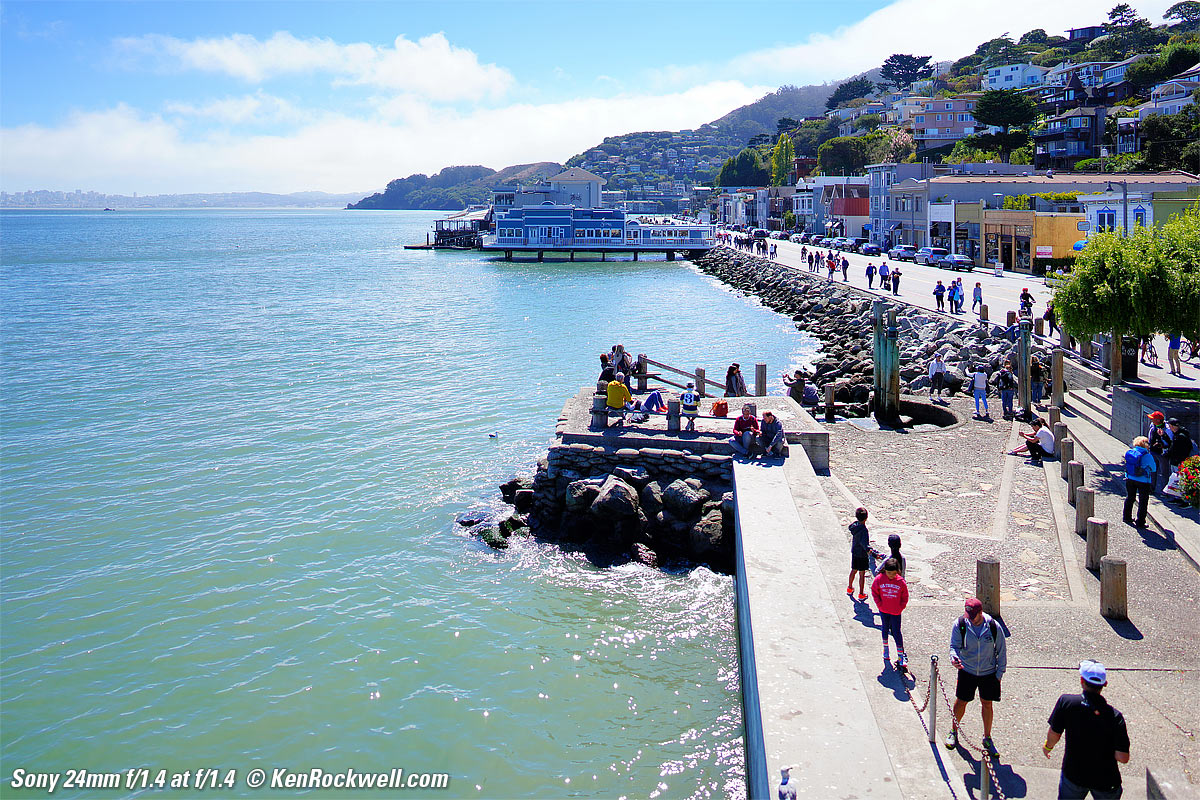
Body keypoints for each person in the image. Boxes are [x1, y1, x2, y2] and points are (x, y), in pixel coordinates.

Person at [1044, 660, 1130, 799]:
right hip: (1106, 781)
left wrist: (1048, 747)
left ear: (1081, 681)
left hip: (1074, 775)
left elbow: (1054, 734)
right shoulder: (1115, 717)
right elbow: (1123, 757)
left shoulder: (1066, 702)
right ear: (1105, 684)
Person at [946, 597, 1007, 756]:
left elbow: (1001, 651)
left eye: (973, 616)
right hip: (967, 670)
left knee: (987, 704)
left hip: (988, 673)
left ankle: (987, 737)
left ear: (981, 612)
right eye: (968, 615)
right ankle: (954, 731)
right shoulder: (960, 624)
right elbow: (954, 646)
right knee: (961, 702)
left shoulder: (993, 626)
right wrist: (954, 658)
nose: (970, 619)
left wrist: (999, 674)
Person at [872, 557, 909, 667]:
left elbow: (905, 596)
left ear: (897, 572)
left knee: (897, 632)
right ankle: (885, 649)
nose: (890, 576)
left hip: (896, 611)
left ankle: (900, 655)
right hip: (884, 610)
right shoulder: (879, 579)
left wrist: (900, 607)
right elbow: (874, 592)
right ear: (885, 570)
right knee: (884, 628)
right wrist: (879, 605)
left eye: (893, 573)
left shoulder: (900, 582)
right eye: (888, 573)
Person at [1122, 435, 1156, 527]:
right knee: (1143, 501)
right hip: (1143, 481)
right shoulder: (1147, 456)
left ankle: (1127, 517)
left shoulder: (1131, 452)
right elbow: (1153, 469)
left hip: (1130, 478)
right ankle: (1140, 522)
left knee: (1130, 497)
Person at [846, 507, 871, 601]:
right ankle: (861, 593)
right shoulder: (864, 530)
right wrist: (869, 550)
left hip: (855, 552)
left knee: (853, 570)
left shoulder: (854, 526)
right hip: (862, 554)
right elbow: (865, 544)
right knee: (862, 574)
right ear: (866, 518)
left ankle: (849, 587)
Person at [1147, 411, 1171, 494]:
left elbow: (1169, 442)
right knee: (1152, 470)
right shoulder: (1153, 426)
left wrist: (1162, 445)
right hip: (1153, 452)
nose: (1151, 420)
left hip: (1162, 453)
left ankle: (1165, 491)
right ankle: (1151, 487)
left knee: (1164, 472)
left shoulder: (1167, 429)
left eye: (1153, 419)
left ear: (1158, 420)